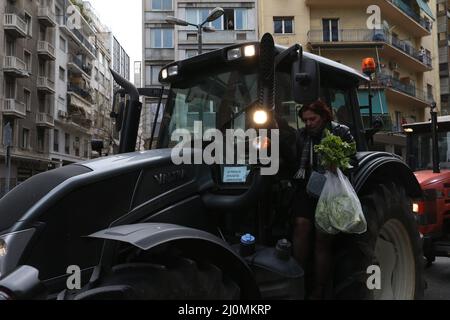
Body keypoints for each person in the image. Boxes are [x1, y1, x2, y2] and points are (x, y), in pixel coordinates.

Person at [290, 99, 355, 300]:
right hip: (307, 189)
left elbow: (353, 161)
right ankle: (297, 282)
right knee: (301, 225)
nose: (309, 123)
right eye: (305, 120)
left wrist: (338, 165)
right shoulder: (301, 136)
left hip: (331, 192)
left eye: (313, 119)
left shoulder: (341, 132)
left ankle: (319, 289)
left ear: (324, 116)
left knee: (322, 239)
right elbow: (293, 162)